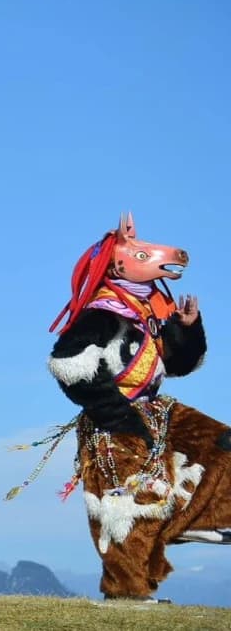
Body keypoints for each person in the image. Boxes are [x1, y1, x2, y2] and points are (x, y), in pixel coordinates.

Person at [43, 213, 231, 602]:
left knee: (222, 444)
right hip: (114, 421)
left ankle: (207, 518)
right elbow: (67, 364)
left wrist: (187, 328)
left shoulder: (147, 313)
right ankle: (128, 594)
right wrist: (116, 417)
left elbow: (176, 366)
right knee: (127, 504)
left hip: (158, 410)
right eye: (142, 253)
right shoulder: (100, 316)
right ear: (117, 265)